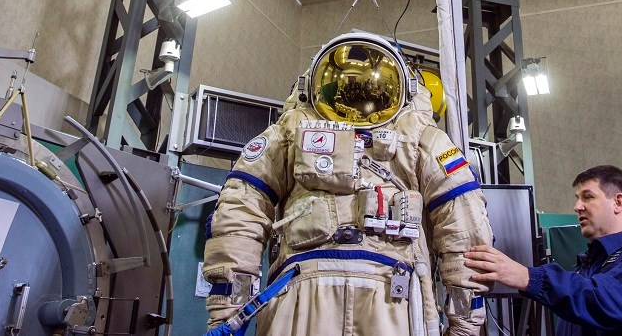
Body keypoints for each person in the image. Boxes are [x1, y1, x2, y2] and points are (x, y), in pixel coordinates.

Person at [202, 32, 492, 336]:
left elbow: (238, 213)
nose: (358, 101)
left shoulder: (418, 138)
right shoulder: (293, 132)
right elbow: (465, 228)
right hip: (388, 303)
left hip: (315, 300)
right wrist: (464, 326)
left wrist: (227, 315)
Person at [465, 165, 622, 336]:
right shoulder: (588, 269)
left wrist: (527, 277)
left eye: (588, 197)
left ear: (618, 203)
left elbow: (610, 304)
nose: (577, 206)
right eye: (577, 199)